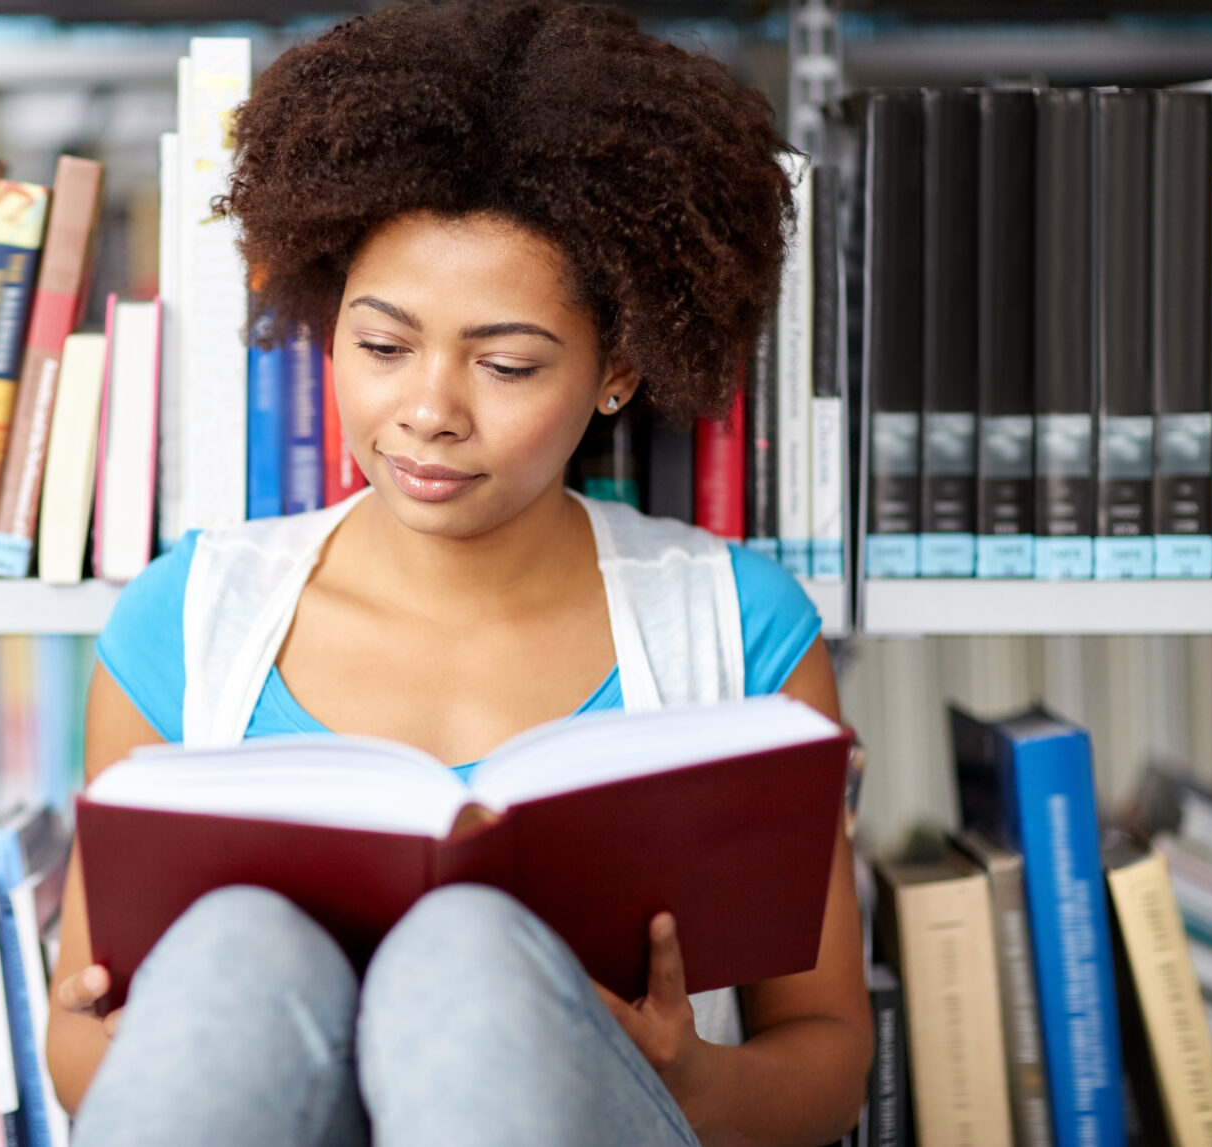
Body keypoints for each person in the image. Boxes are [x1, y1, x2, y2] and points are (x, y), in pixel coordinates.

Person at [46, 2, 872, 1143]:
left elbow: (825, 1064)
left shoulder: (738, 630)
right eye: (381, 346)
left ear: (617, 368)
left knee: (471, 951)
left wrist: (684, 1073)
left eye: (506, 363)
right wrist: (168, 1034)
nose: (427, 412)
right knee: (237, 948)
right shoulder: (185, 622)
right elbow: (80, 1037)